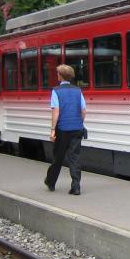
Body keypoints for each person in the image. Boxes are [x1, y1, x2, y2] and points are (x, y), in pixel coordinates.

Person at [45, 64, 86, 195]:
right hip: (77, 128)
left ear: (60, 76)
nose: (57, 75)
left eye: (58, 74)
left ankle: (51, 182)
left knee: (58, 157)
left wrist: (52, 130)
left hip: (62, 129)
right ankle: (76, 187)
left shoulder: (56, 91)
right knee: (74, 158)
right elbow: (83, 111)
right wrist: (79, 122)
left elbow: (56, 111)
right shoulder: (78, 90)